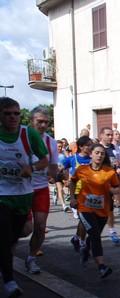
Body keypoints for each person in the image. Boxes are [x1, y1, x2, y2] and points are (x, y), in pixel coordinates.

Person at [0, 97, 49, 298]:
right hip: (2, 195)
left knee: (16, 235)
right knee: (3, 238)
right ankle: (10, 281)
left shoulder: (28, 135)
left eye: (16, 113)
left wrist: (32, 168)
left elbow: (45, 160)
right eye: (7, 113)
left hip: (23, 194)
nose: (13, 117)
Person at [69, 143, 119, 278]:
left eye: (102, 153)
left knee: (94, 236)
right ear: (90, 154)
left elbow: (116, 187)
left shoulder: (110, 172)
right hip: (85, 208)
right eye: (97, 153)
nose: (100, 155)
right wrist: (73, 198)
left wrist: (115, 191)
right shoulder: (82, 170)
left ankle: (85, 251)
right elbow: (72, 182)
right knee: (96, 236)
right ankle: (102, 266)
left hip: (103, 210)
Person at [24, 107, 59, 274]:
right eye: (39, 121)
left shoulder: (51, 142)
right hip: (21, 189)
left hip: (41, 188)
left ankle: (31, 259)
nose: (43, 125)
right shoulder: (21, 137)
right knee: (25, 229)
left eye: (46, 122)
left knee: (39, 226)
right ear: (31, 121)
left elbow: (52, 166)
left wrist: (58, 176)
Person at [98, 127, 120, 242]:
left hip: (110, 182)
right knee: (95, 209)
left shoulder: (115, 149)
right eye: (108, 135)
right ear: (101, 136)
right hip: (97, 183)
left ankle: (112, 231)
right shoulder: (96, 148)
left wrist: (119, 165)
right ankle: (89, 234)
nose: (110, 137)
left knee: (109, 209)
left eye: (111, 135)